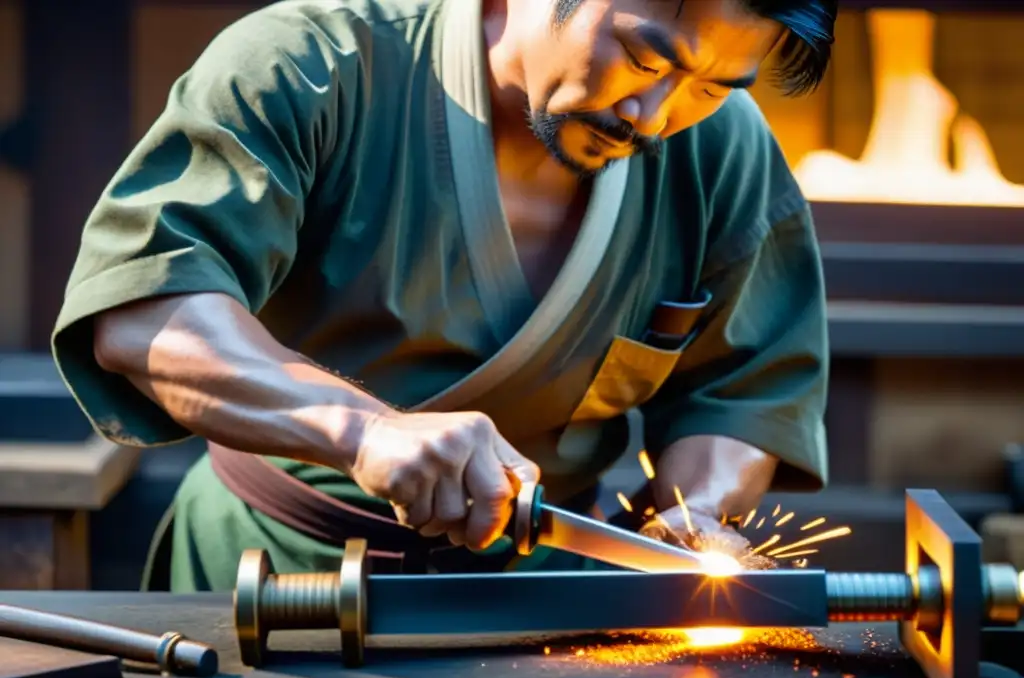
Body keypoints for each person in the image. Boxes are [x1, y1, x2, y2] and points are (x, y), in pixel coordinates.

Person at [53, 0, 837, 591]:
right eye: (642, 58)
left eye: (709, 88)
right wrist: (363, 432)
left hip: (544, 594)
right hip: (269, 568)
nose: (655, 116)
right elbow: (146, 309)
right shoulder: (311, 62)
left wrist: (696, 513)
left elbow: (742, 392)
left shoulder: (723, 148)